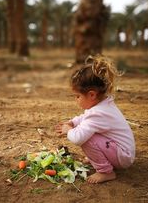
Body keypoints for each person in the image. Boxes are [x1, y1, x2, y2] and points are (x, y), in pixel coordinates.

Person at [56, 55, 135, 184]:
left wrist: (68, 130)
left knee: (87, 138)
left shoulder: (98, 114)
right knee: (87, 131)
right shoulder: (103, 105)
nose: (76, 100)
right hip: (122, 152)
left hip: (123, 157)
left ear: (92, 94)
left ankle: (105, 172)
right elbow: (86, 118)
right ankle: (101, 158)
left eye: (77, 96)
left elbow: (78, 138)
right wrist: (74, 122)